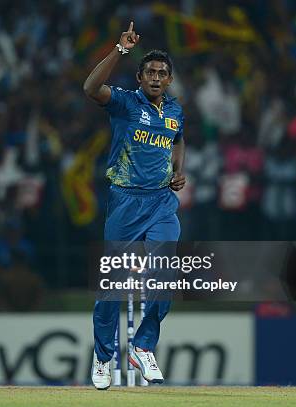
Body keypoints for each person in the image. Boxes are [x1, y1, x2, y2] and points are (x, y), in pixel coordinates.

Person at [83, 22, 186, 389]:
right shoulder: (126, 103)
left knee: (165, 275)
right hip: (125, 200)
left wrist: (179, 171)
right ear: (140, 77)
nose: (156, 77)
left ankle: (142, 346)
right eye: (150, 72)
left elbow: (177, 140)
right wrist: (120, 50)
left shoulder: (174, 110)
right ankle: (103, 356)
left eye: (162, 73)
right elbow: (91, 88)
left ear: (169, 79)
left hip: (161, 202)